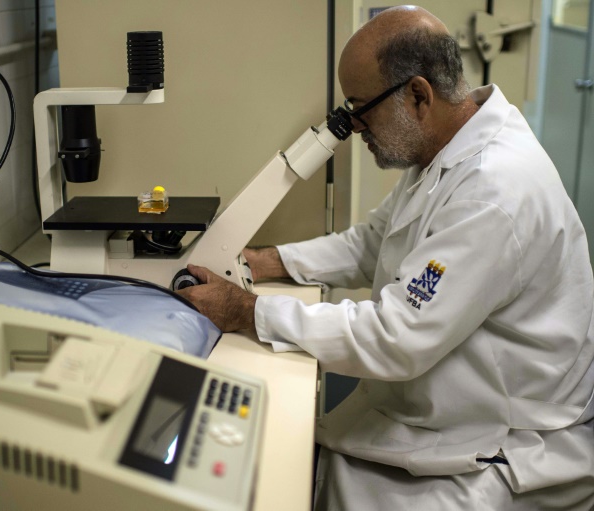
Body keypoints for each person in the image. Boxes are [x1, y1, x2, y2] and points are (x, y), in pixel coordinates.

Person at [177, 5, 594, 510]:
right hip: (445, 406)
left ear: (418, 95)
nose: (353, 126)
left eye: (360, 108)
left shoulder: (494, 191)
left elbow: (397, 335)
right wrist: (265, 261)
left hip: (506, 440)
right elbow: (371, 242)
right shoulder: (445, 149)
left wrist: (248, 311)